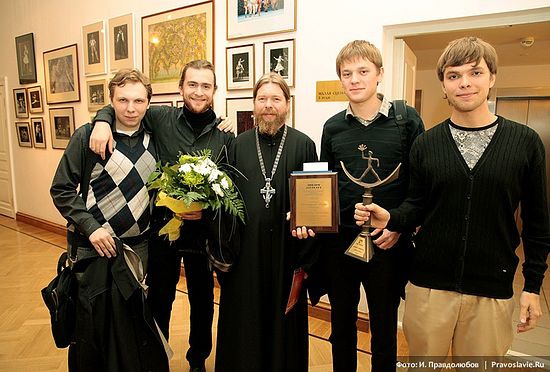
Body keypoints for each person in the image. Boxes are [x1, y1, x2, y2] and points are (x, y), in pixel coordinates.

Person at [354, 37, 550, 359]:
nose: (465, 83)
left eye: (475, 73)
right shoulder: (426, 144)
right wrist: (392, 218)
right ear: (444, 85)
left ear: (492, 78)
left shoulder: (524, 142)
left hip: (491, 290)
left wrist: (532, 286)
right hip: (429, 288)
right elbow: (417, 205)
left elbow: (538, 223)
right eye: (454, 75)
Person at [90, 60, 233, 372]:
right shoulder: (160, 117)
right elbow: (123, 106)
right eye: (192, 84)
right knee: (159, 299)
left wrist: (207, 208)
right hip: (161, 230)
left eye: (205, 86)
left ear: (214, 91)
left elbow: (229, 189)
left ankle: (198, 361)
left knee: (203, 302)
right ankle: (155, 359)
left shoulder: (224, 135)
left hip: (202, 233)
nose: (198, 91)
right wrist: (102, 120)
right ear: (180, 88)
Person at [308, 40, 424, 372]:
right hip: (340, 245)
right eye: (347, 73)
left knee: (383, 328)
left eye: (363, 71)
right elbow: (326, 185)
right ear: (340, 79)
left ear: (379, 74)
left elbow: (420, 186)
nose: (355, 79)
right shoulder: (332, 128)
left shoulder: (407, 121)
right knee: (341, 324)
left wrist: (399, 226)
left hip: (387, 244)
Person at [50, 68, 169, 371]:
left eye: (139, 101)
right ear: (111, 100)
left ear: (148, 102)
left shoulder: (156, 138)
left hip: (136, 250)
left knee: (131, 329)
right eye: (123, 100)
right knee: (92, 331)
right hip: (93, 251)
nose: (131, 108)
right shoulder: (88, 137)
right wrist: (90, 229)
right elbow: (62, 190)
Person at [214, 72, 318, 372]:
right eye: (262, 99)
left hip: (288, 253)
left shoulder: (305, 145)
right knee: (245, 321)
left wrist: (307, 229)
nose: (268, 105)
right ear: (254, 105)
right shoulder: (236, 145)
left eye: (275, 99)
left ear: (287, 104)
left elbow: (316, 199)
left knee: (284, 324)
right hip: (246, 254)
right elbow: (224, 202)